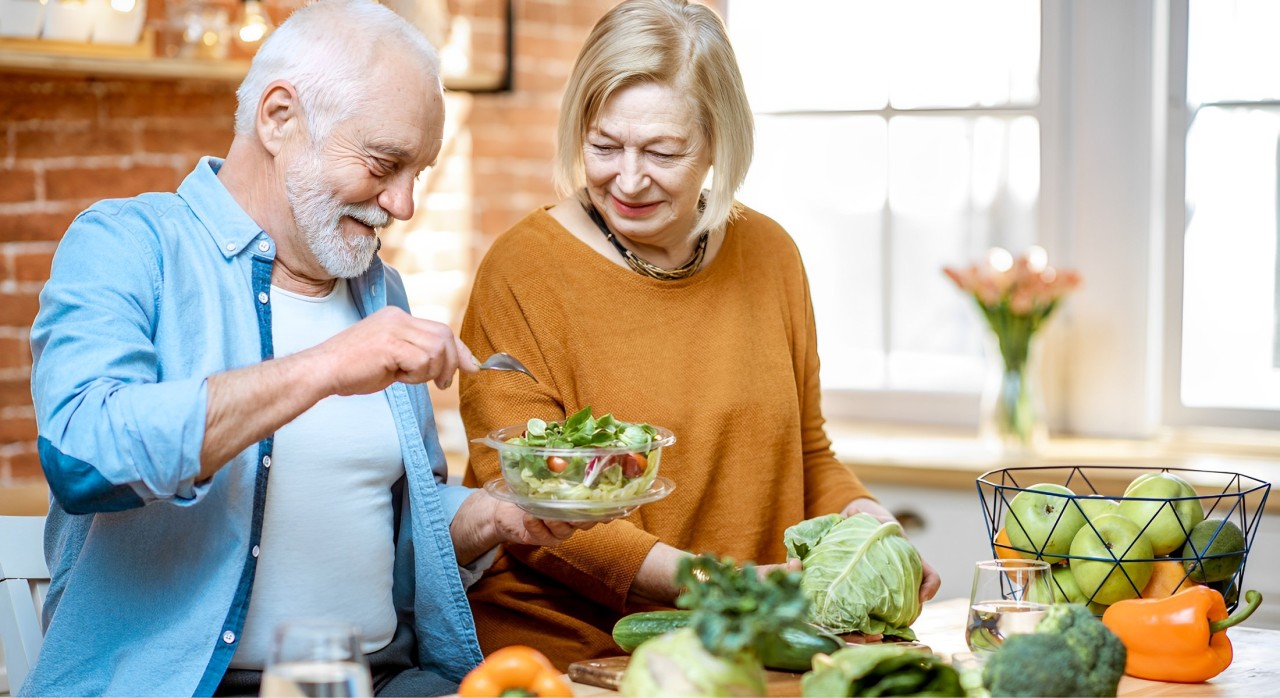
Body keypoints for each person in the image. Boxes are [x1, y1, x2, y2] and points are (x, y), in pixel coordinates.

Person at [24, 1, 586, 695]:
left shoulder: (380, 293)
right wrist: (324, 368)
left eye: (421, 172)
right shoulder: (127, 245)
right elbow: (83, 458)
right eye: (385, 162)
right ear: (278, 117)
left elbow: (388, 533)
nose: (404, 203)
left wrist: (493, 515)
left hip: (382, 680)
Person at [457, 0, 942, 669]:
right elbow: (529, 501)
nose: (626, 179)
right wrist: (717, 584)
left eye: (662, 151)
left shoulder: (771, 255)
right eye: (603, 146)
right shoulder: (522, 271)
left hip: (744, 647)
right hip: (570, 657)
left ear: (717, 141)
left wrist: (869, 528)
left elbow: (806, 449)